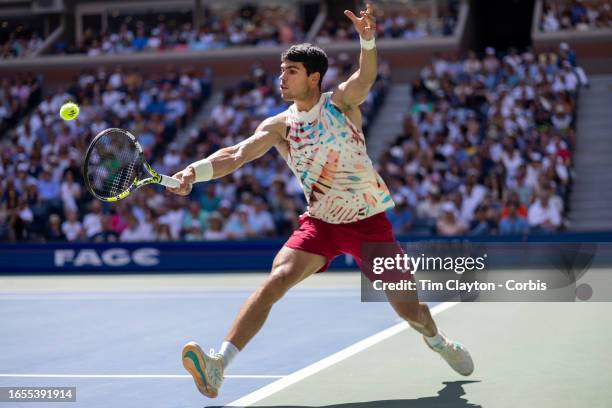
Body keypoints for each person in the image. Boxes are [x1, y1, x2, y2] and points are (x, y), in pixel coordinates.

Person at [168, 3, 473, 399]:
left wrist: (368, 38)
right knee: (276, 280)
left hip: (369, 224)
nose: (282, 78)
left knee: (410, 310)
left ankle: (437, 342)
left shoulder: (341, 103)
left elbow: (366, 76)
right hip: (321, 224)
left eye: (290, 71)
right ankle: (218, 366)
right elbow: (237, 153)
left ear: (313, 78)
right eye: (281, 71)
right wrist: (195, 171)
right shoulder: (279, 126)